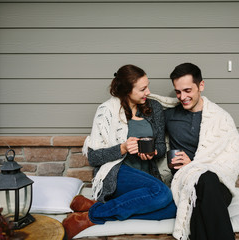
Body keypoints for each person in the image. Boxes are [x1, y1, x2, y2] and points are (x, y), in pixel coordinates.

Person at [62, 64, 177, 240]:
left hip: (146, 176)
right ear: (127, 91)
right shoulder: (107, 111)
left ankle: (96, 207)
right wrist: (122, 148)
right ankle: (92, 217)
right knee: (162, 193)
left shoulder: (154, 108)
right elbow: (93, 157)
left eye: (147, 86)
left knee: (175, 208)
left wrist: (153, 152)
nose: (148, 92)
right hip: (117, 174)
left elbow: (161, 146)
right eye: (142, 89)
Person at [153, 63, 239, 240]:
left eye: (187, 90)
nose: (182, 97)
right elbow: (145, 110)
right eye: (178, 92)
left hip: (217, 186)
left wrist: (193, 165)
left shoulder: (221, 118)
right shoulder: (170, 116)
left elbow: (230, 158)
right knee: (197, 202)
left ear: (201, 86)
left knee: (206, 181)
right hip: (185, 182)